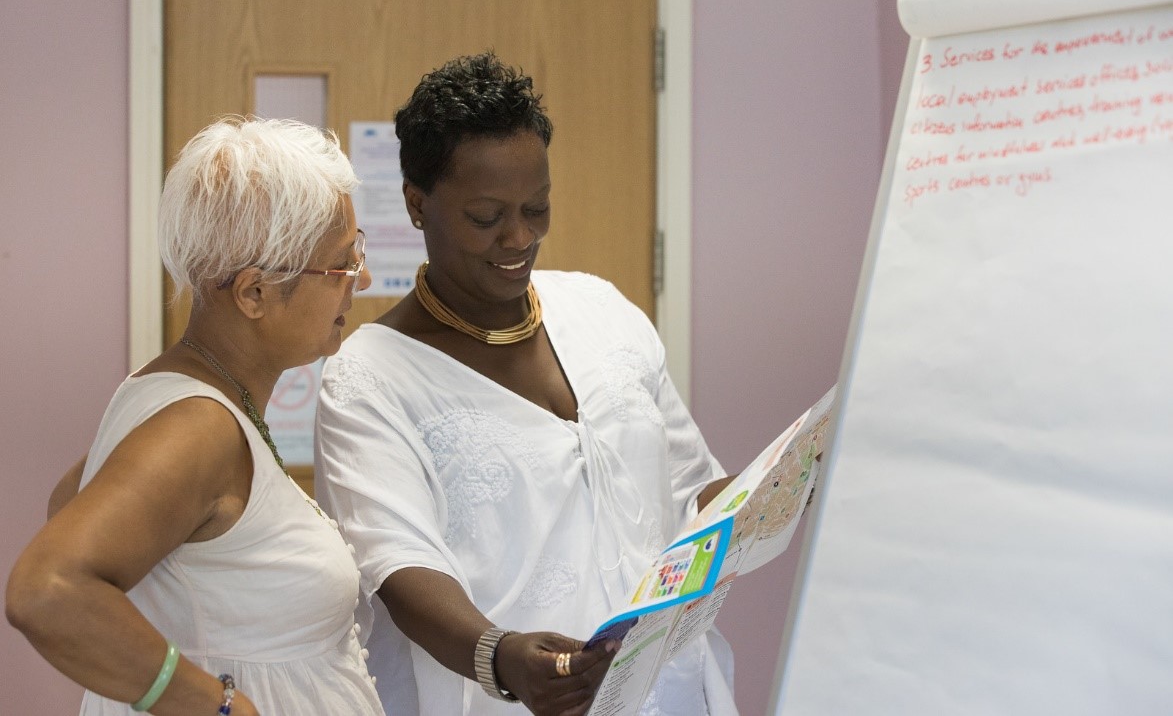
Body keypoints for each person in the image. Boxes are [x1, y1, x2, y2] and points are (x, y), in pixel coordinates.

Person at [315, 53, 739, 715]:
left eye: (536, 208)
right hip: (507, 698)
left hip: (669, 690)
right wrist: (498, 654)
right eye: (486, 218)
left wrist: (775, 492)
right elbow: (397, 567)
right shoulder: (369, 377)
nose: (519, 237)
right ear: (416, 204)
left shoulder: (602, 309)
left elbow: (691, 484)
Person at [6, 118, 385, 716]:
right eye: (341, 263)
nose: (360, 279)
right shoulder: (197, 427)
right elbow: (47, 592)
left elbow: (67, 503)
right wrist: (220, 706)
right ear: (254, 294)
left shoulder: (181, 397)